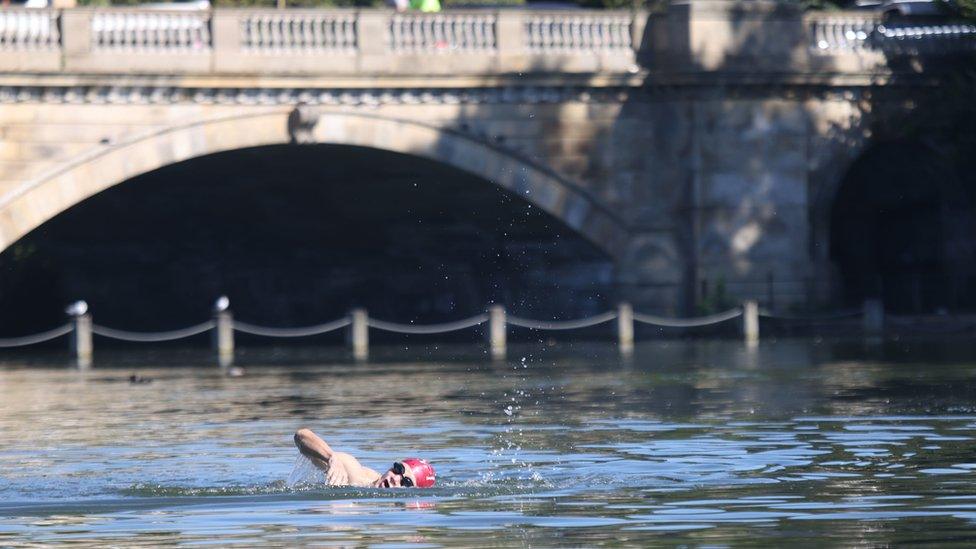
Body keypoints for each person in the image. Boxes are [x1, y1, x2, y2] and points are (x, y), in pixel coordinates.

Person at [294, 428, 436, 488]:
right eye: (398, 469)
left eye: (406, 482)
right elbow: (301, 435)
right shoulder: (355, 474)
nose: (395, 478)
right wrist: (331, 458)